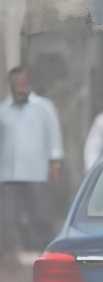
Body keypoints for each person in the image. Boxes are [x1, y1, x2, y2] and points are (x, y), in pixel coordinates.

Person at [0, 65, 63, 260]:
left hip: (36, 170)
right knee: (8, 216)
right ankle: (11, 254)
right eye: (16, 82)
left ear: (29, 83)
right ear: (10, 84)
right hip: (7, 173)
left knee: (41, 215)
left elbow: (54, 135)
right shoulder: (3, 109)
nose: (20, 86)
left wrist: (55, 162)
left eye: (23, 82)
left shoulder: (44, 106)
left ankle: (45, 252)